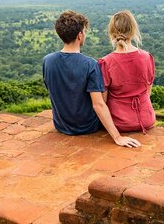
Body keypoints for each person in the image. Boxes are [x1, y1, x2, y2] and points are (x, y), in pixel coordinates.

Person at [42, 10, 141, 148]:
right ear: (80, 35)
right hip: (87, 126)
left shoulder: (47, 61)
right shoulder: (90, 65)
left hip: (61, 125)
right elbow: (98, 104)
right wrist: (117, 137)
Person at [98, 10, 155, 134]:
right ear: (133, 31)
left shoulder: (106, 62)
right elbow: (147, 92)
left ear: (112, 33)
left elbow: (103, 101)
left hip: (119, 122)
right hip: (146, 119)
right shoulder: (147, 57)